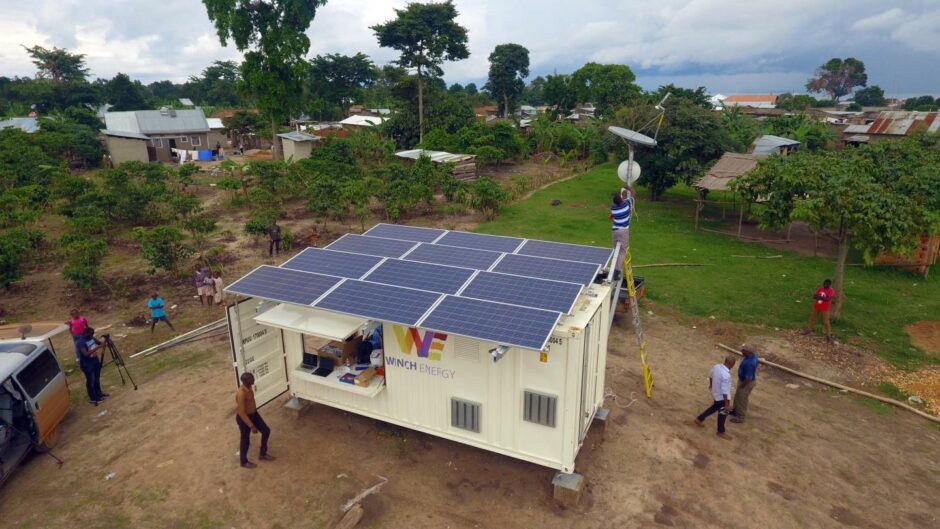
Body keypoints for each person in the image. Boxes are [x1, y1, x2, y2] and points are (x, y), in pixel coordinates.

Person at [236, 372, 274, 469]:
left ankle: (263, 454)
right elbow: (241, 413)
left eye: (252, 377)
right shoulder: (241, 394)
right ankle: (243, 462)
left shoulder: (249, 388)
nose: (253, 379)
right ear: (246, 381)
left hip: (254, 414)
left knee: (266, 431)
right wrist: (251, 426)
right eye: (251, 378)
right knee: (245, 440)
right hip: (244, 418)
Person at [694, 354, 736, 440]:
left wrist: (711, 385)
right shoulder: (726, 375)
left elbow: (711, 375)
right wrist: (727, 404)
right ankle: (720, 431)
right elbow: (725, 391)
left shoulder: (717, 366)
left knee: (714, 407)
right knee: (723, 413)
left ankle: (699, 419)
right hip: (722, 397)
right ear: (732, 364)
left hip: (716, 393)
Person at [76, 327, 107, 405]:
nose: (92, 335)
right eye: (90, 334)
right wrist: (97, 347)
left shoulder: (92, 338)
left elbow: (99, 343)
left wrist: (104, 342)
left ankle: (99, 394)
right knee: (91, 380)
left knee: (97, 378)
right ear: (85, 333)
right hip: (87, 364)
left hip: (95, 361)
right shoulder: (80, 342)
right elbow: (85, 354)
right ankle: (93, 398)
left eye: (92, 334)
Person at [731, 346, 759, 424]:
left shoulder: (750, 363)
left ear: (749, 352)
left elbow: (748, 378)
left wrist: (742, 386)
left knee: (742, 399)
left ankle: (740, 417)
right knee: (737, 396)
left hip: (746, 383)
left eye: (743, 351)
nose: (742, 352)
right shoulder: (752, 356)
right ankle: (735, 411)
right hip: (743, 381)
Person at [609, 188, 634, 275]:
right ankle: (617, 271)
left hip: (615, 231)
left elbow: (620, 201)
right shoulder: (627, 206)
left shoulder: (613, 209)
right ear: (622, 200)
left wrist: (622, 196)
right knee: (622, 251)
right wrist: (629, 189)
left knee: (616, 250)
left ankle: (613, 268)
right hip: (623, 231)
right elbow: (632, 197)